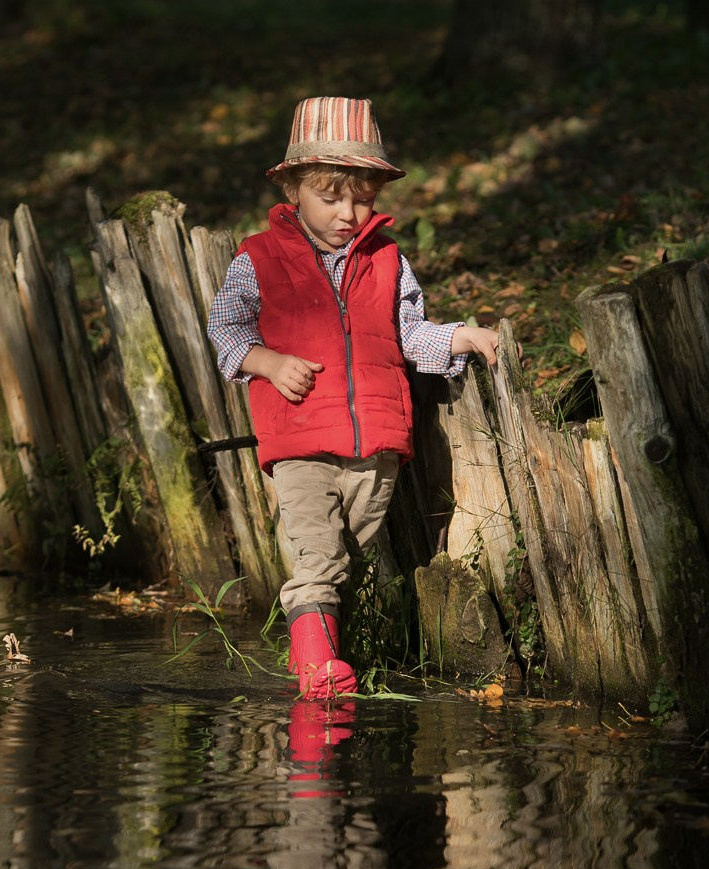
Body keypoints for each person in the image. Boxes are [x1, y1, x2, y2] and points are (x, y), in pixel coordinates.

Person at [207, 96, 499, 699]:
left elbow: (409, 334)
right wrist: (268, 362)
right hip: (301, 441)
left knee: (349, 558)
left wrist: (460, 336)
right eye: (330, 196)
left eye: (362, 198)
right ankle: (317, 673)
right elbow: (226, 330)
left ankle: (320, 650)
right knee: (316, 560)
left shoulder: (387, 260)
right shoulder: (257, 259)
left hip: (376, 448)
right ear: (293, 189)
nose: (348, 212)